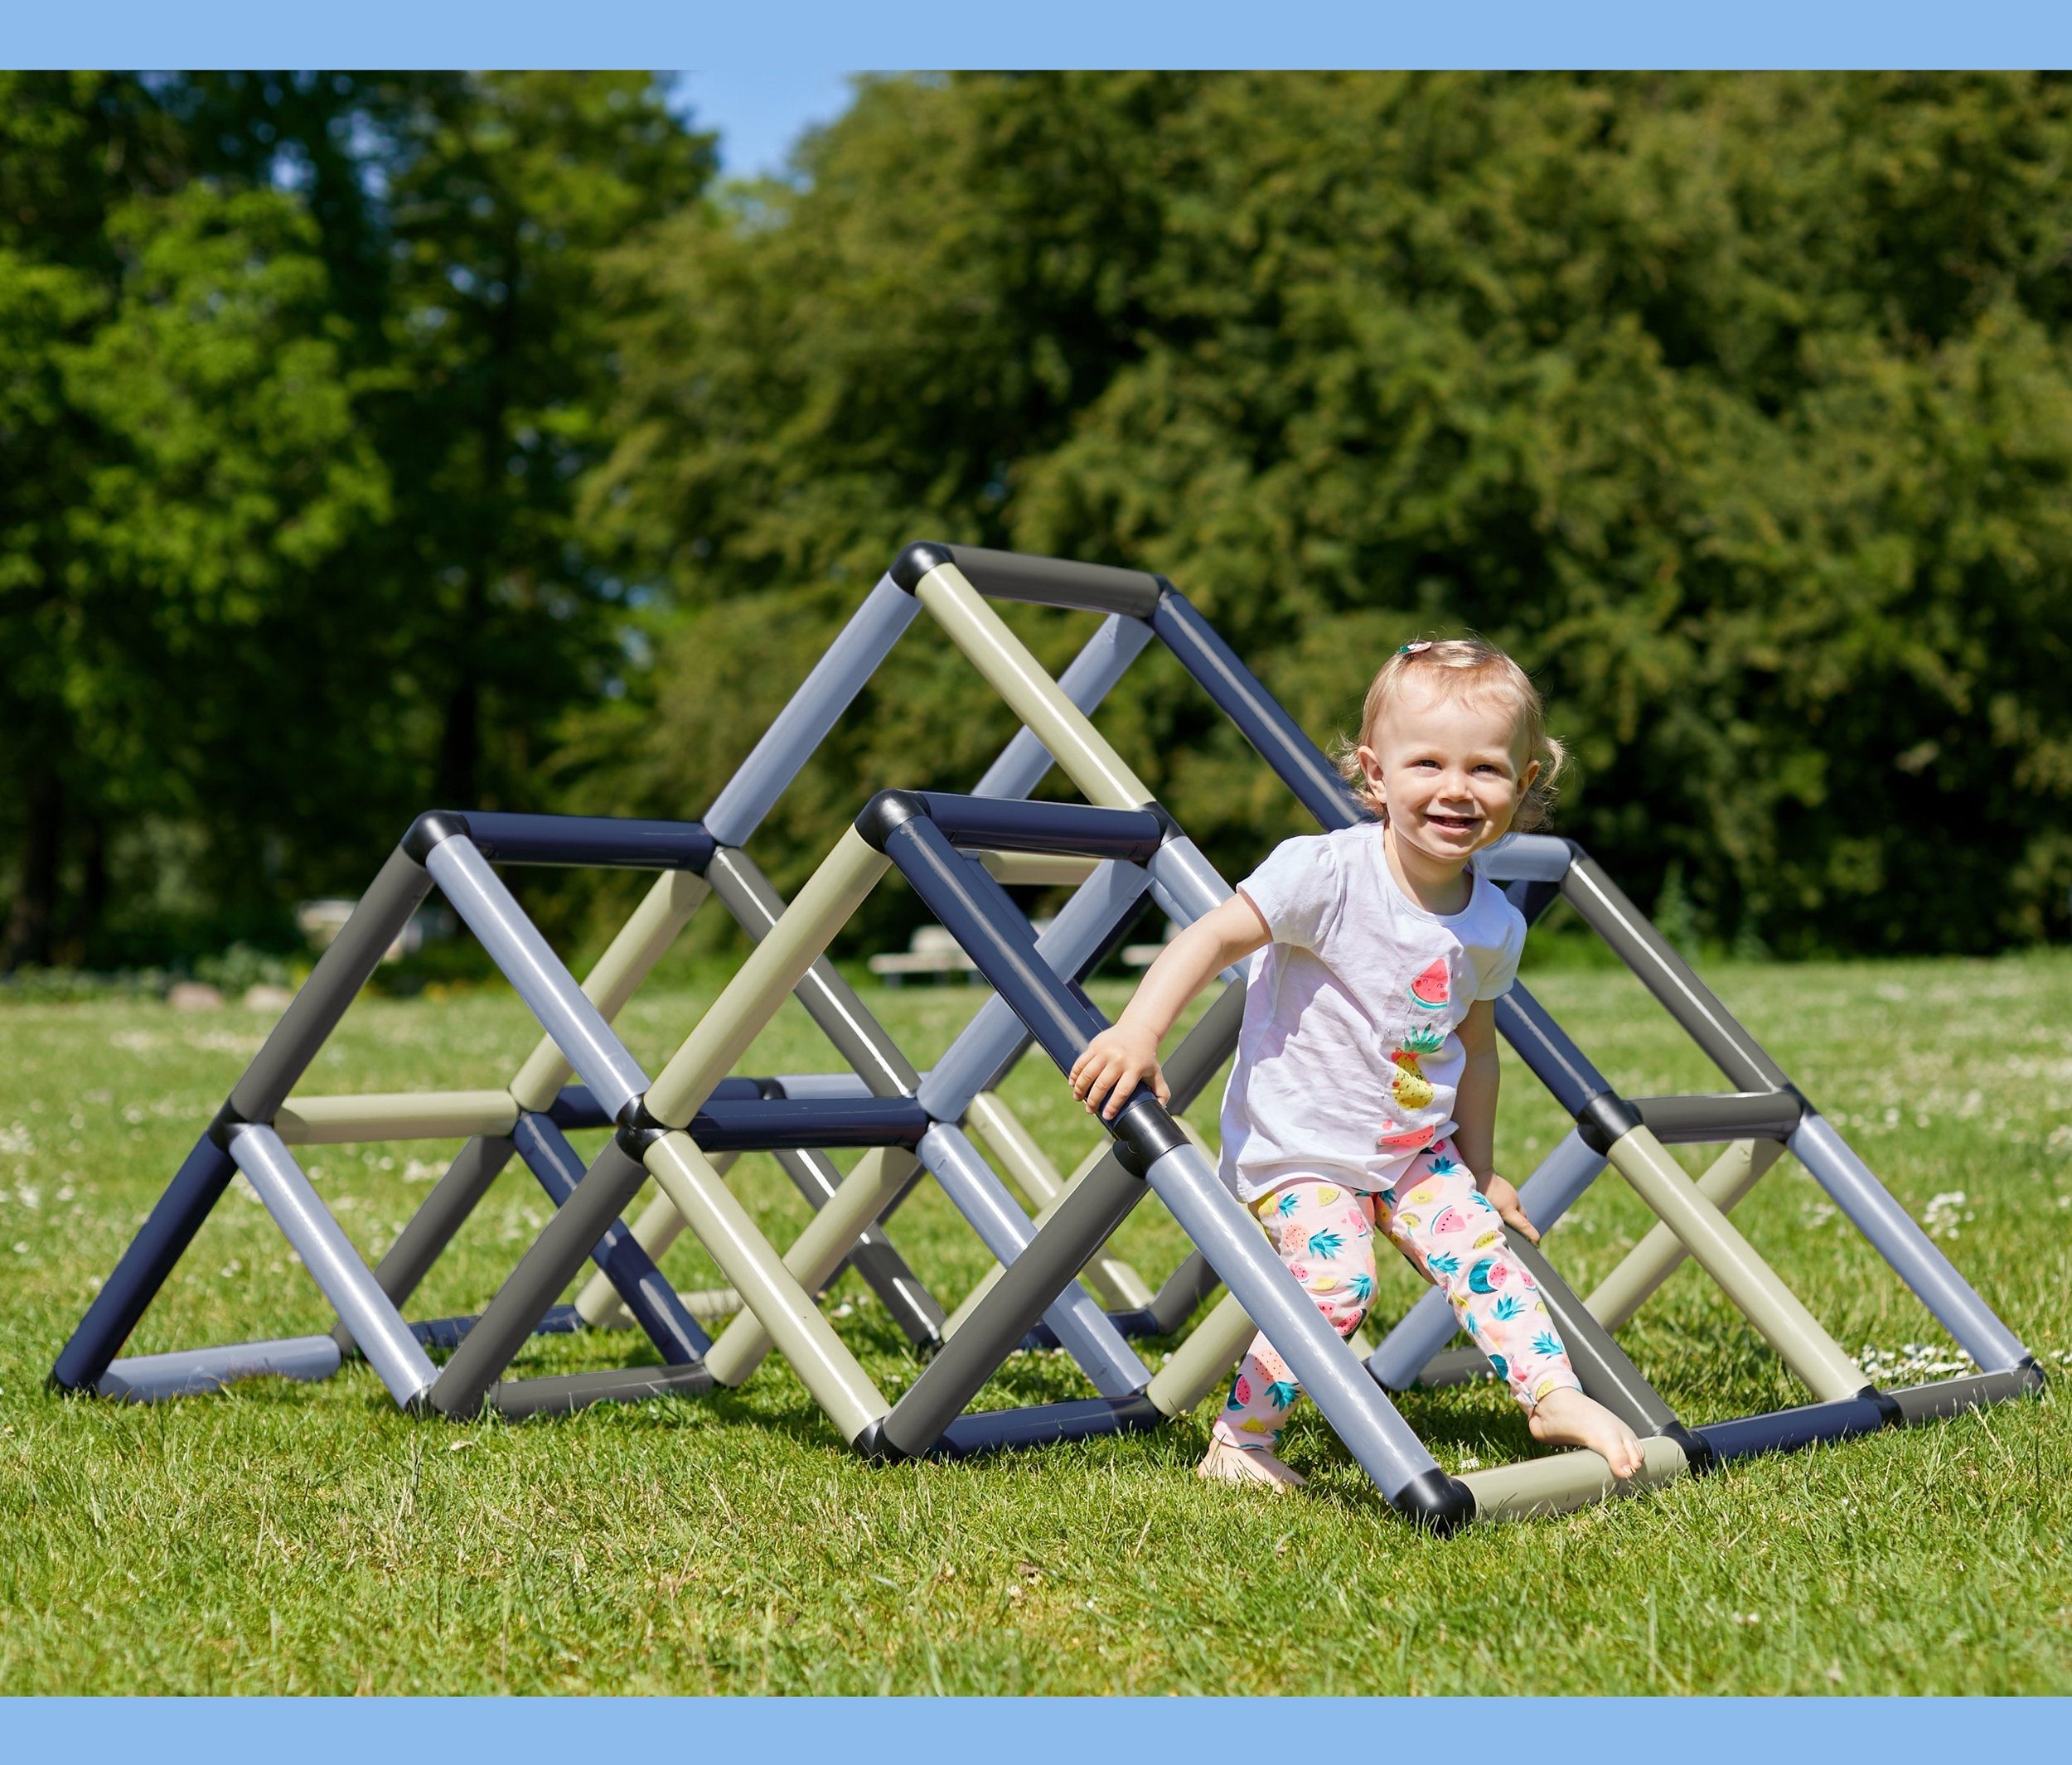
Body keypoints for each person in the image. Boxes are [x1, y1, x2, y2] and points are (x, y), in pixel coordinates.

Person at [1070, 638, 1645, 1491]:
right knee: (1338, 1282)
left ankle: (1552, 1394)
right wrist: (1138, 1031)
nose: (1457, 789)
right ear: (1375, 775)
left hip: (1415, 1151)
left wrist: (1481, 1169)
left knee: (1484, 1255)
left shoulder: (1494, 923)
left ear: (1523, 785)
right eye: (1428, 764)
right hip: (1301, 1148)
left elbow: (1477, 1052)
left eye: (1486, 769)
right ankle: (1240, 1443)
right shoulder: (1326, 873)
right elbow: (1212, 938)